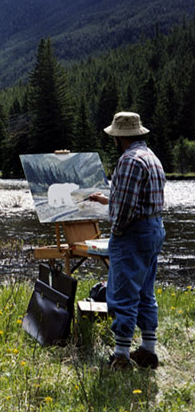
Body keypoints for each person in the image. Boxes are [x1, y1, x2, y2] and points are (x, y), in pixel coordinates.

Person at [88, 111, 166, 370]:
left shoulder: (128, 160)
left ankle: (120, 356)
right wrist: (106, 199)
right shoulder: (151, 157)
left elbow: (125, 211)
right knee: (145, 291)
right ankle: (148, 350)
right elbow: (139, 200)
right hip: (154, 229)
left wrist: (117, 235)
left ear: (119, 138)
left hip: (133, 234)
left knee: (123, 294)